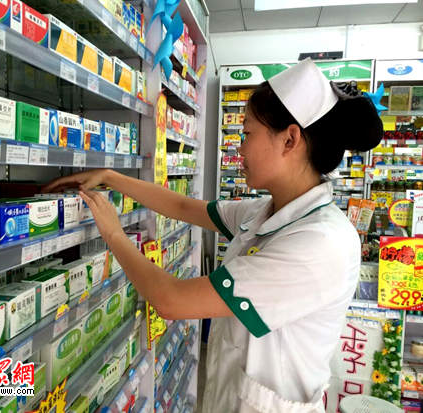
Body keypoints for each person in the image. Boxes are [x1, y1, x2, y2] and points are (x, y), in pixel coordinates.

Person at [43, 59, 383, 413]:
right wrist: (111, 177)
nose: (239, 148)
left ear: (290, 139)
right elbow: (184, 207)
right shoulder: (268, 211)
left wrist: (113, 232)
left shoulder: (320, 244)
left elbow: (171, 300)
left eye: (247, 134)